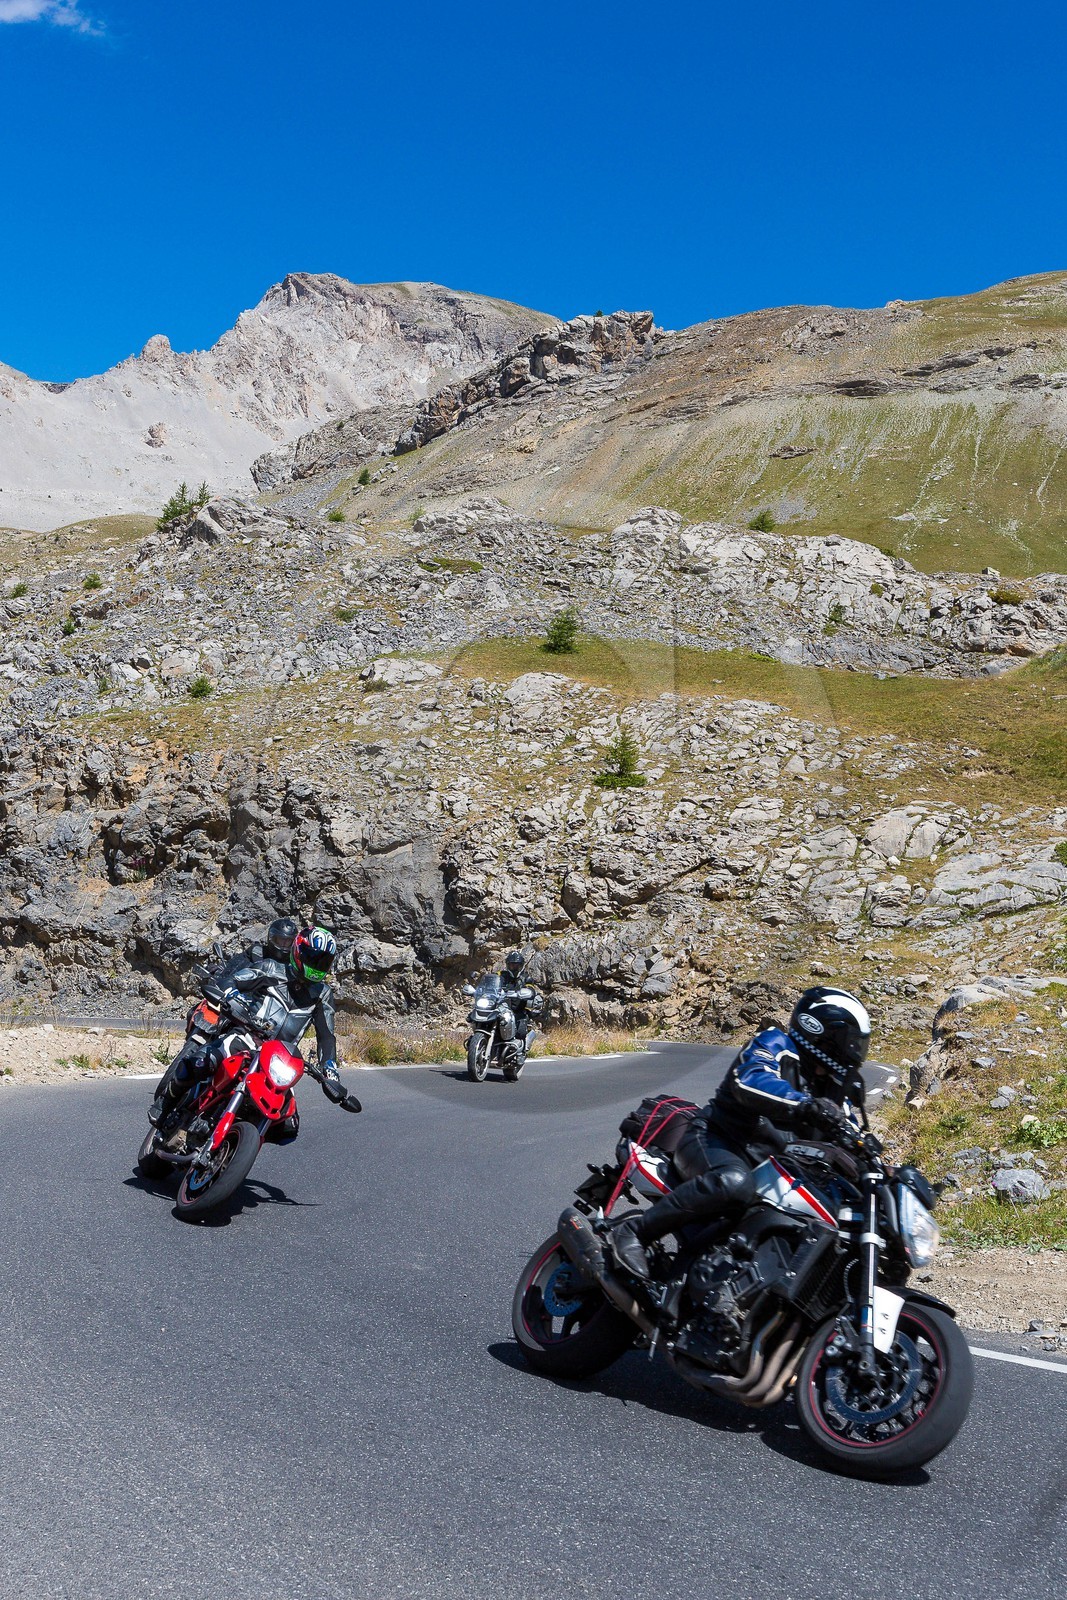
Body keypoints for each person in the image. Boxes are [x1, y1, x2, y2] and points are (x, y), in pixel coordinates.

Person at [609, 987, 871, 1281]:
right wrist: (805, 1106)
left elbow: (850, 1133)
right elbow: (750, 1080)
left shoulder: (834, 1091)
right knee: (734, 1183)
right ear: (822, 1030)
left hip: (769, 1171)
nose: (856, 1052)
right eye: (852, 1042)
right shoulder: (777, 1043)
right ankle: (633, 1232)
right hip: (716, 1140)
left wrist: (876, 1167)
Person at [149, 923, 341, 1135]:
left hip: (277, 1058)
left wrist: (330, 1070)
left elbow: (326, 1036)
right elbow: (236, 979)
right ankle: (165, 1103)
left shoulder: (323, 994)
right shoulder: (271, 968)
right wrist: (230, 992)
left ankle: (233, 1146)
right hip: (247, 1036)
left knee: (287, 1127)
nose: (316, 964)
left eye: (323, 961)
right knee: (199, 1063)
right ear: (298, 952)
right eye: (313, 957)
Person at [498, 950, 542, 1065]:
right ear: (508, 965)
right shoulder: (501, 975)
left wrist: (527, 992)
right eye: (512, 964)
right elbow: (491, 983)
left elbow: (531, 989)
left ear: (521, 966)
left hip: (518, 1010)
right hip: (501, 1009)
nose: (514, 967)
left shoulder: (526, 978)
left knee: (520, 1029)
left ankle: (520, 1053)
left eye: (516, 965)